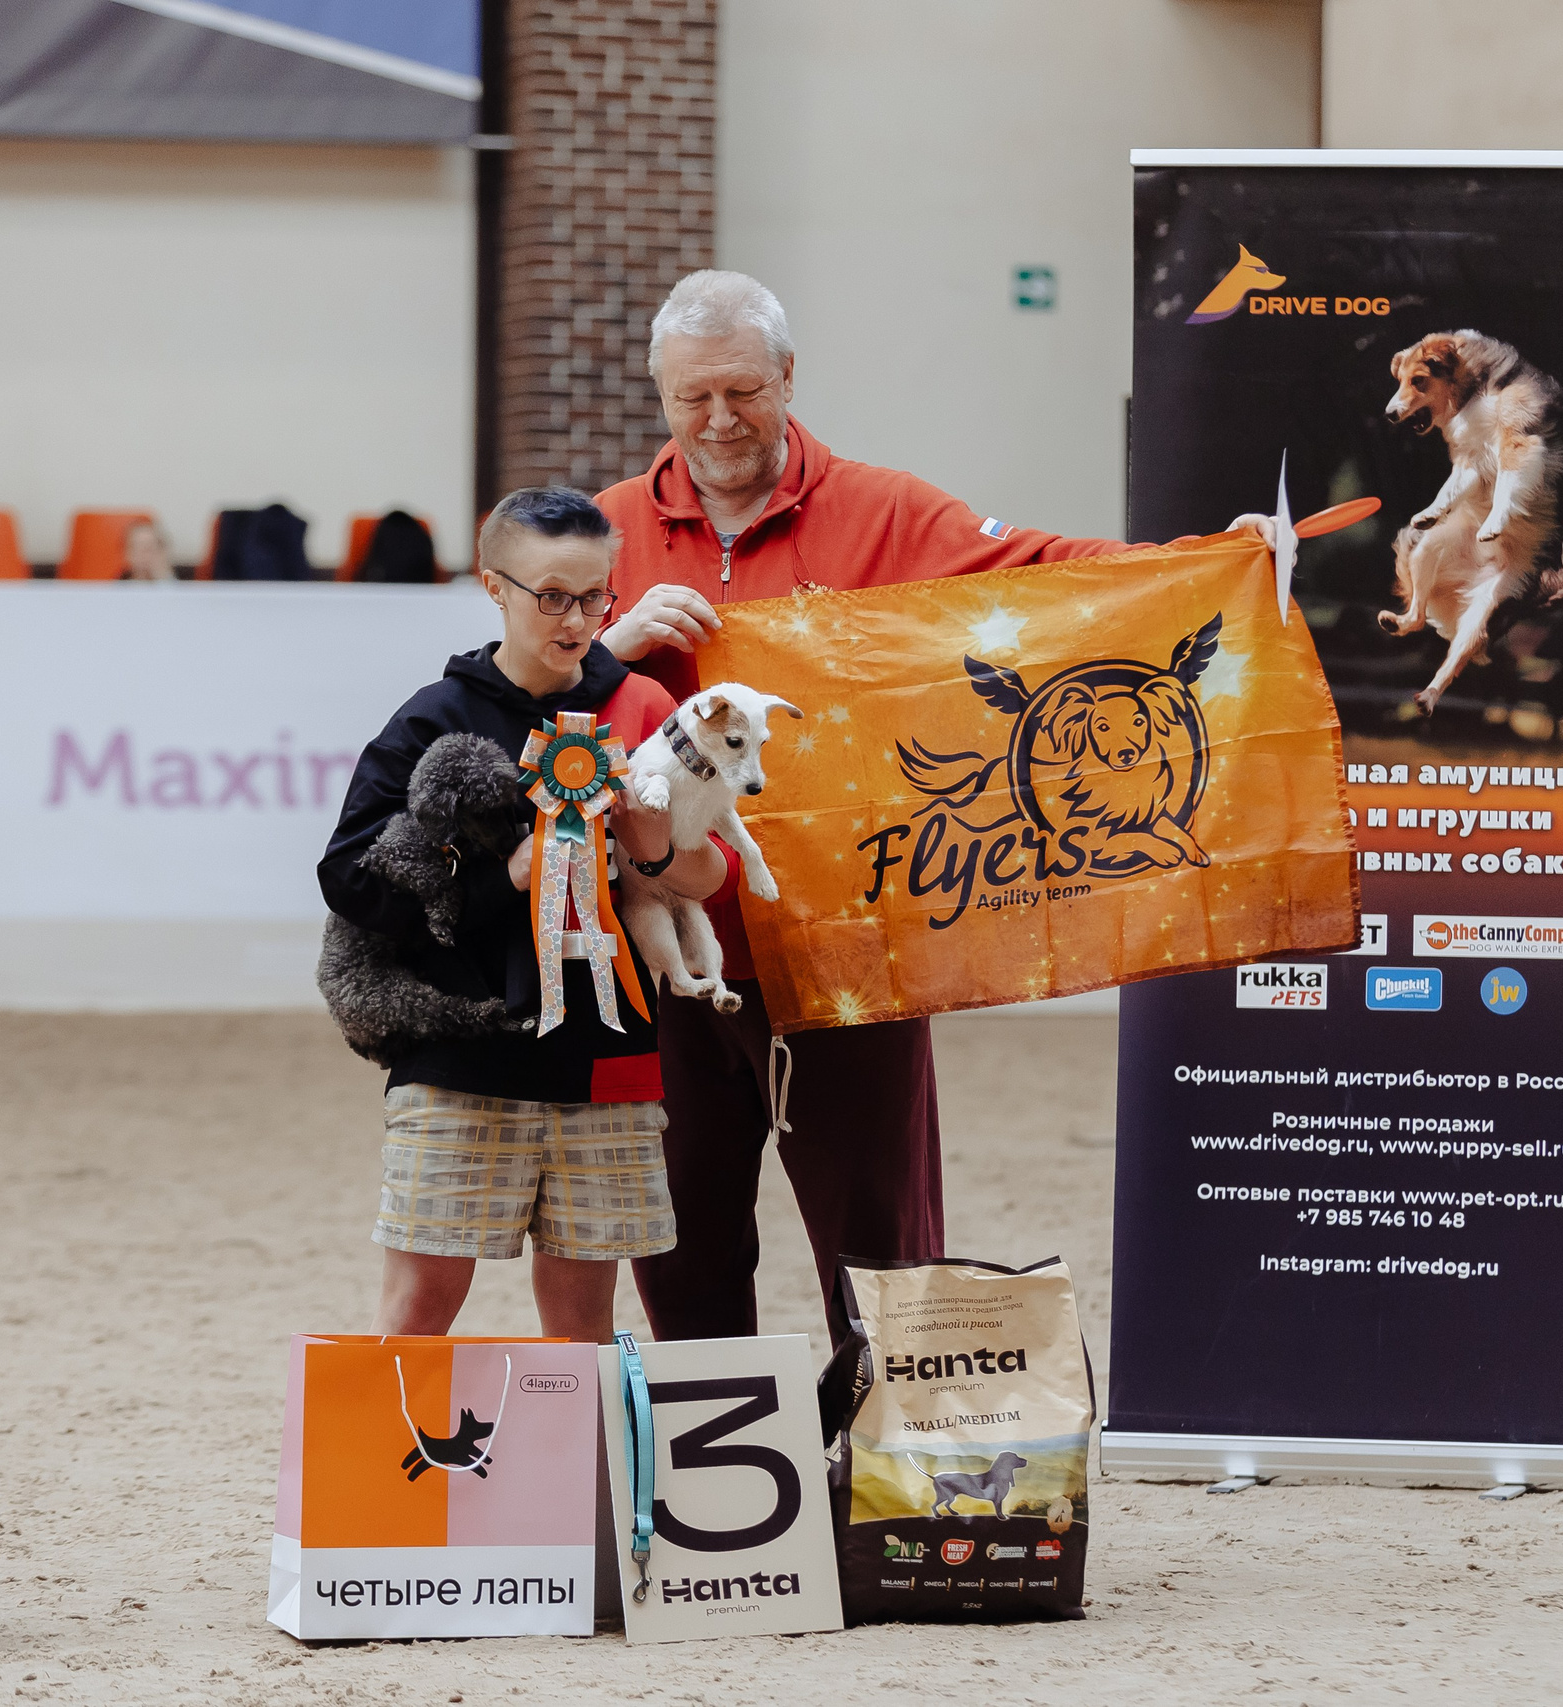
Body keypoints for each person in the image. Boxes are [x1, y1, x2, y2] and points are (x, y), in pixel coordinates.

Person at [597, 269, 1268, 1343]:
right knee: (673, 1233)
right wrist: (606, 651)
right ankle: (712, 1485)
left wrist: (1199, 563)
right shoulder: (605, 533)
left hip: (853, 941)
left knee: (881, 1244)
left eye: (741, 392)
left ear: (786, 377)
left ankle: (886, 1479)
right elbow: (519, 697)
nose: (718, 420)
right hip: (667, 950)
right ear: (658, 393)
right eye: (691, 398)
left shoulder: (888, 511)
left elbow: (1041, 574)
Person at [318, 486, 729, 1341]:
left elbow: (711, 875)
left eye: (593, 595)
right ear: (493, 585)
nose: (575, 619)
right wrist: (505, 873)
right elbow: (352, 880)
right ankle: (401, 1479)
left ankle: (573, 1481)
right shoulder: (433, 719)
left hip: (609, 1061)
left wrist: (651, 842)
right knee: (420, 1304)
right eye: (550, 595)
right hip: (460, 1061)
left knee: (581, 1321)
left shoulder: (642, 711)